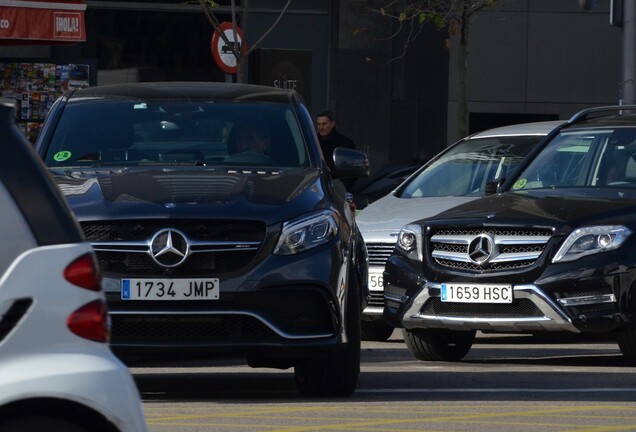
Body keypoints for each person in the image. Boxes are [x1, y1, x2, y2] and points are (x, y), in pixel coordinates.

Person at [316, 110, 356, 189]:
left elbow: (351, 170)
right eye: (319, 124)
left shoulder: (344, 143)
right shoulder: (313, 141)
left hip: (338, 187)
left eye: (324, 124)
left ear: (332, 124)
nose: (321, 127)